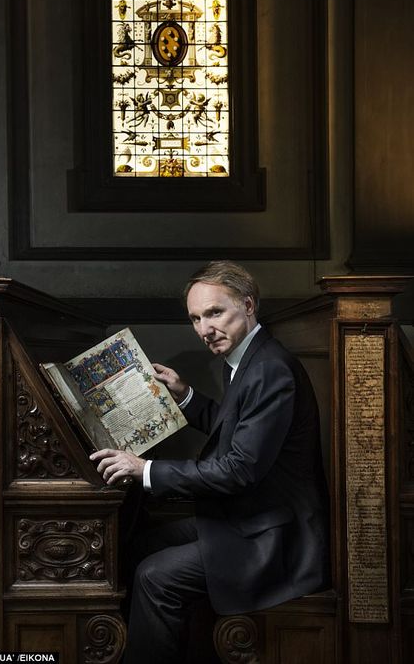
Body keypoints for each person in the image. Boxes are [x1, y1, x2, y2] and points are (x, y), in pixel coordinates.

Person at [90, 260, 331, 664]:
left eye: (215, 313)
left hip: (275, 539)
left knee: (154, 576)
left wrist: (144, 470)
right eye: (196, 319)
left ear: (249, 305)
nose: (205, 329)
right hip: (251, 518)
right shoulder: (247, 357)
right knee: (139, 546)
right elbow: (241, 429)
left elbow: (239, 469)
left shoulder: (270, 370)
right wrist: (185, 395)